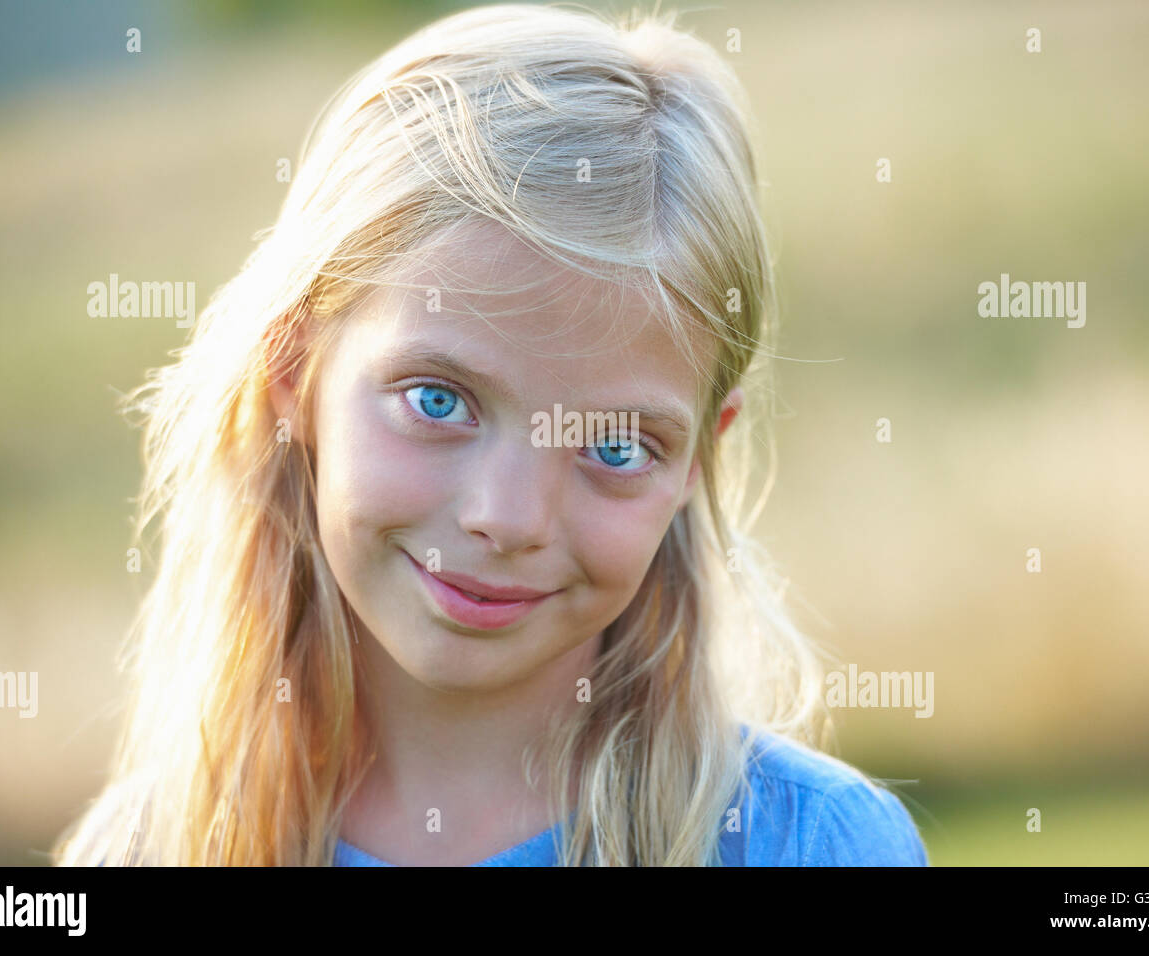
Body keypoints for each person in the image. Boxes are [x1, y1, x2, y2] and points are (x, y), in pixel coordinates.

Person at [53, 3, 929, 867]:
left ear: (700, 457)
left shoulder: (815, 847)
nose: (508, 519)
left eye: (616, 448)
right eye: (438, 401)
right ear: (294, 369)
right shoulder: (144, 853)